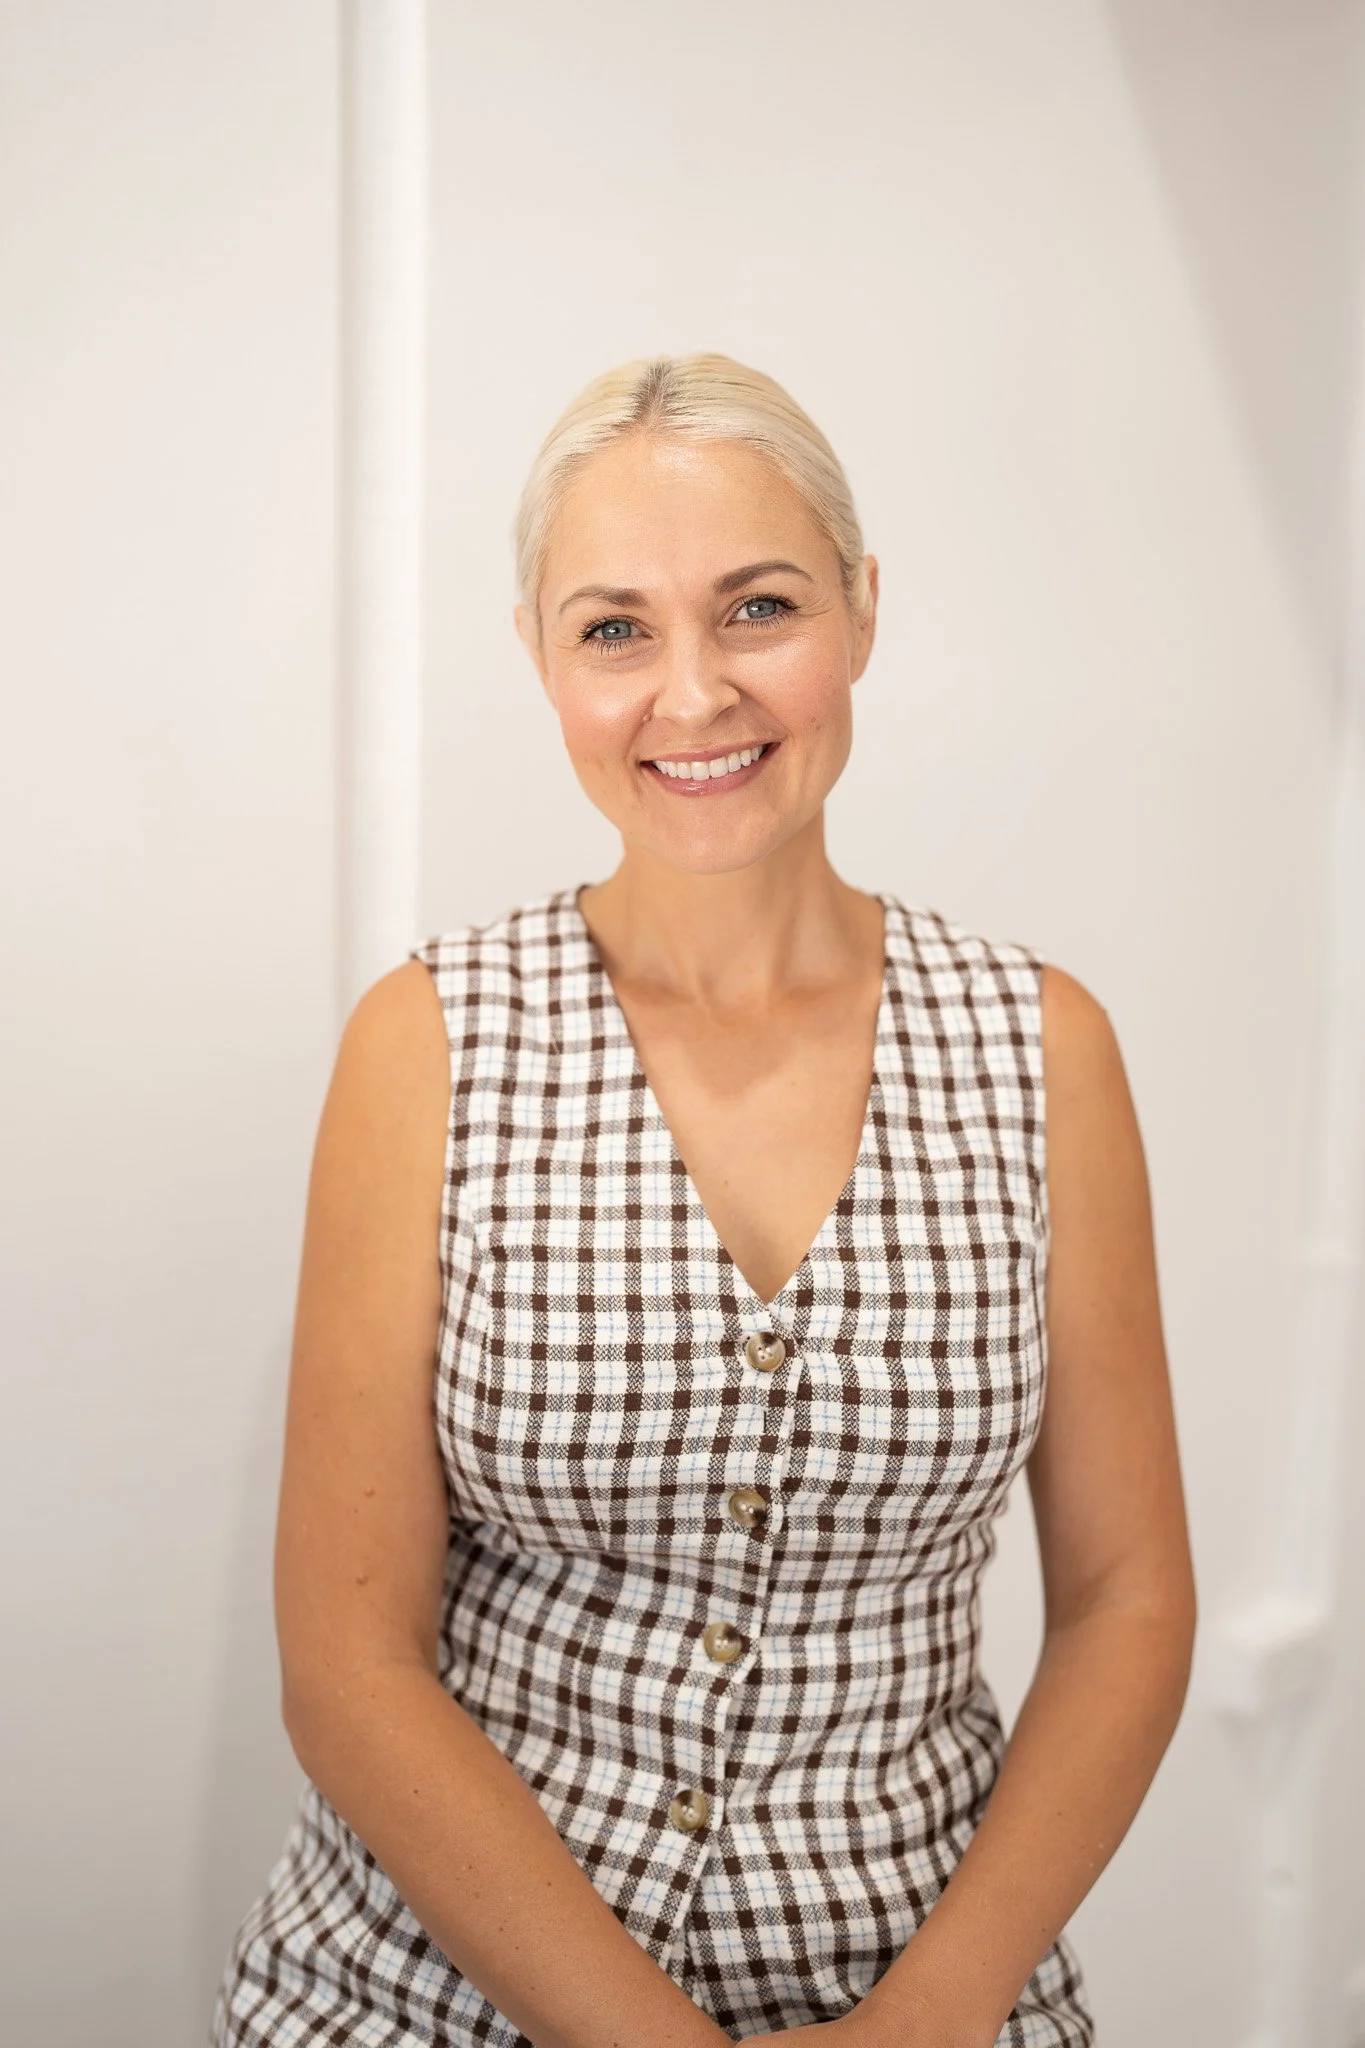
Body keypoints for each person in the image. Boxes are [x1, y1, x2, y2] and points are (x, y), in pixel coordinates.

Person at [212, 353, 1196, 2047]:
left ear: (863, 612)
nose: (693, 695)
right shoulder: (430, 1044)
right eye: (615, 630)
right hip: (433, 2001)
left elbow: (1126, 1601)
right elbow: (349, 1667)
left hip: (920, 1997)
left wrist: (937, 2014)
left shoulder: (1046, 1047)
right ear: (538, 656)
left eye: (757, 608)